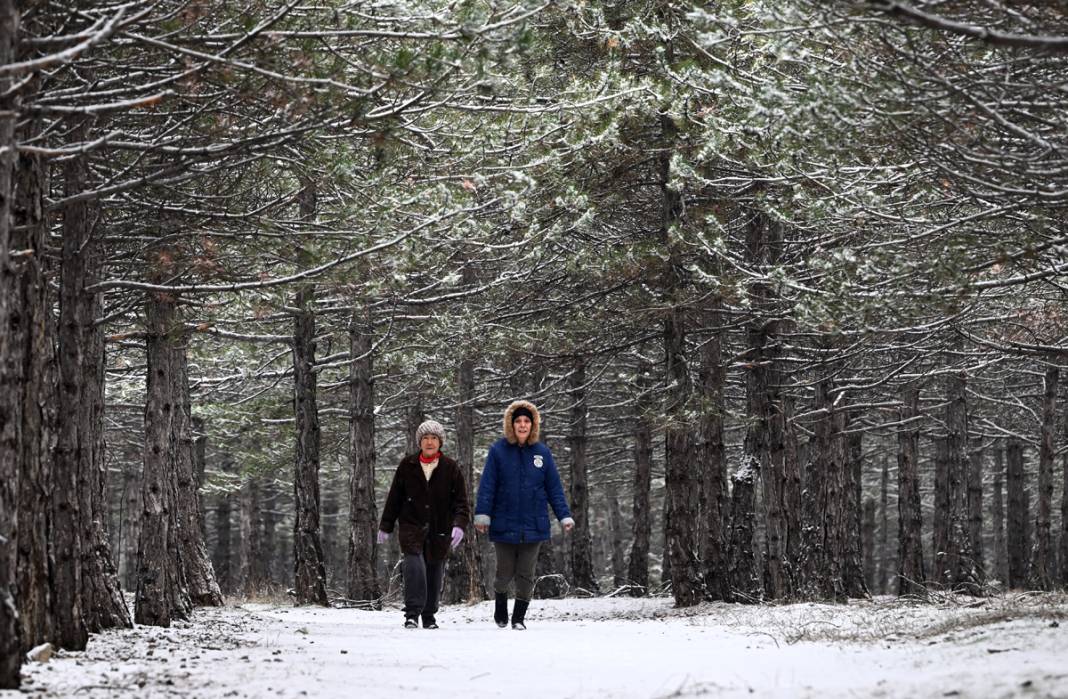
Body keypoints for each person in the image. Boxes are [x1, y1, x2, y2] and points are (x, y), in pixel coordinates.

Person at [474, 400, 574, 630]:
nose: (522, 425)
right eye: (518, 421)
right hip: (503, 522)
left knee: (526, 574)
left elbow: (554, 488)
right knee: (504, 573)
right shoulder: (498, 451)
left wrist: (564, 516)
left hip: (534, 524)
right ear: (511, 424)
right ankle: (500, 606)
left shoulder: (542, 453)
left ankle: (518, 618)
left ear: (533, 425)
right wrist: (483, 514)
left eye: (526, 421)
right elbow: (488, 485)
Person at [378, 419, 469, 629]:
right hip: (411, 525)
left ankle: (429, 615)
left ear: (440, 442)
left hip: (440, 526)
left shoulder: (450, 467)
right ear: (420, 441)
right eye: (426, 438)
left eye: (434, 438)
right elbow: (394, 498)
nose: (429, 442)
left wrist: (459, 525)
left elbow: (461, 502)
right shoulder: (407, 465)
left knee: (434, 569)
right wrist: (386, 525)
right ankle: (412, 613)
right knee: (414, 566)